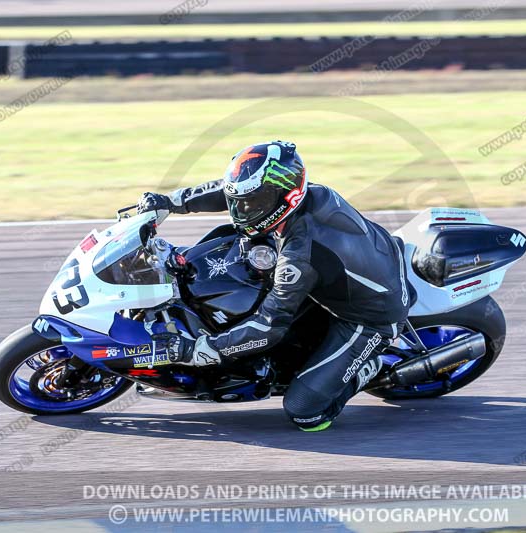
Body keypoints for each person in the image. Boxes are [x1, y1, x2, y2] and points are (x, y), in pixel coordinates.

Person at [138, 140, 410, 431]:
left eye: (253, 202)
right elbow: (231, 190)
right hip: (358, 265)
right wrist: (173, 201)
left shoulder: (299, 256)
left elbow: (268, 328)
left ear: (286, 196)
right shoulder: (306, 195)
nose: (241, 209)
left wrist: (199, 349)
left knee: (305, 412)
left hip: (368, 318)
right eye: (241, 200)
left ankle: (374, 367)